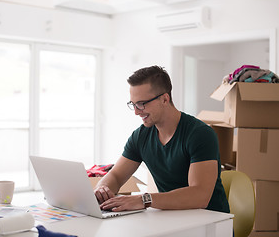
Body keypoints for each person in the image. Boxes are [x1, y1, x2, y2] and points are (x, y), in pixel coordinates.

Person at [94, 65, 230, 213]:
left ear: (165, 99)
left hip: (211, 222)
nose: (136, 112)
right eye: (133, 104)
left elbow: (199, 196)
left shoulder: (200, 134)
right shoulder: (140, 136)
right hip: (171, 217)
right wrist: (102, 189)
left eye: (141, 104)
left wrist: (144, 200)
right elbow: (116, 175)